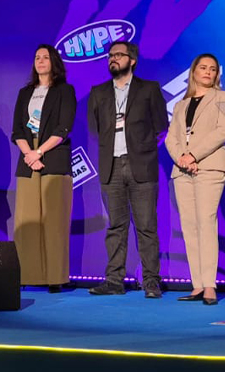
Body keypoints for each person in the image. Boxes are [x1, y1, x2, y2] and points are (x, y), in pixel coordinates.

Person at [87, 41, 167, 298]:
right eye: (110, 56)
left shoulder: (148, 89)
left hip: (140, 165)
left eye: (118, 55)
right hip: (111, 165)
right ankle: (114, 281)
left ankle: (151, 281)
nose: (112, 59)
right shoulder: (98, 92)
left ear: (132, 60)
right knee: (115, 227)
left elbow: (161, 126)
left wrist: (142, 148)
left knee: (146, 226)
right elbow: (95, 127)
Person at [165, 53, 225, 306]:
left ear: (217, 74)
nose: (207, 72)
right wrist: (182, 158)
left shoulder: (224, 97)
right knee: (189, 226)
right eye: (203, 68)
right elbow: (171, 138)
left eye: (212, 69)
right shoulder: (180, 105)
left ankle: (209, 286)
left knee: (206, 223)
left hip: (210, 167)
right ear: (194, 72)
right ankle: (196, 285)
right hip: (182, 169)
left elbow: (224, 130)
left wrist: (194, 154)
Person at [11, 45, 77, 292]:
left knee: (54, 221)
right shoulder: (25, 92)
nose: (40, 61)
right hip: (28, 159)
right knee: (27, 220)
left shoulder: (64, 91)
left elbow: (64, 127)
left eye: (45, 57)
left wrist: (40, 152)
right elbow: (17, 129)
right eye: (36, 57)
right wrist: (29, 153)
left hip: (53, 156)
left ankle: (54, 278)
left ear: (54, 62)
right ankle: (27, 275)